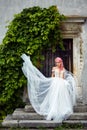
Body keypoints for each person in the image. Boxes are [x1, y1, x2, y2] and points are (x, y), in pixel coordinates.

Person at [21, 54, 77, 122]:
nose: (57, 63)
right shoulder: (54, 68)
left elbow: (62, 78)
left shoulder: (63, 70)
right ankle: (53, 109)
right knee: (54, 96)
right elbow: (52, 76)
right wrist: (52, 80)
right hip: (55, 82)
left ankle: (61, 109)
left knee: (61, 97)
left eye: (58, 62)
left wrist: (63, 82)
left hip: (61, 84)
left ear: (61, 62)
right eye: (56, 62)